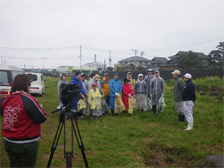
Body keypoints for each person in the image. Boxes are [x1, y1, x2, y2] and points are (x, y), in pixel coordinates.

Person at [0, 74, 47, 168]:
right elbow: (41, 118)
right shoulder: (29, 100)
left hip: (9, 141)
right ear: (26, 85)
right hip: (27, 143)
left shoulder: (4, 99)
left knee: (14, 164)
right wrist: (41, 109)